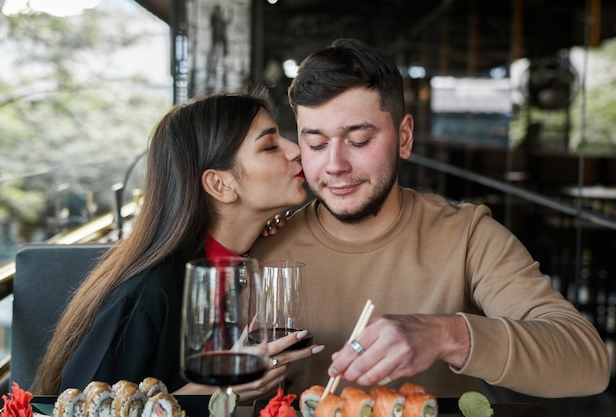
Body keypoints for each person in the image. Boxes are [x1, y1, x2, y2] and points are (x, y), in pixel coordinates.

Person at [252, 38, 611, 398]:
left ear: (404, 137)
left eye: (359, 140)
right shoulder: (264, 246)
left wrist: (448, 335)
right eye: (315, 144)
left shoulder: (466, 235)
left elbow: (587, 363)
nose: (334, 165)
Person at [31, 92, 324, 400]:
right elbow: (79, 408)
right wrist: (219, 390)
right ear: (220, 185)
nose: (296, 150)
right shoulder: (147, 294)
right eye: (270, 146)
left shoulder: (244, 265)